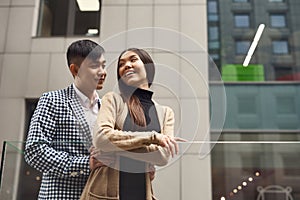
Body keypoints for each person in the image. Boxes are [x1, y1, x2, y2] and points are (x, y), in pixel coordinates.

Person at [81, 48, 185, 200]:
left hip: (142, 193)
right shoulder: (113, 100)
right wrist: (152, 138)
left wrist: (113, 148)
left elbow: (163, 156)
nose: (127, 65)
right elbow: (102, 138)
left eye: (133, 59)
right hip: (104, 193)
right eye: (121, 64)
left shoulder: (166, 113)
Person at [24, 39, 109, 199]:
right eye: (94, 66)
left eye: (103, 65)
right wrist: (86, 163)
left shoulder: (107, 107)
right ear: (75, 70)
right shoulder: (52, 100)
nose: (102, 71)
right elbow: (34, 150)